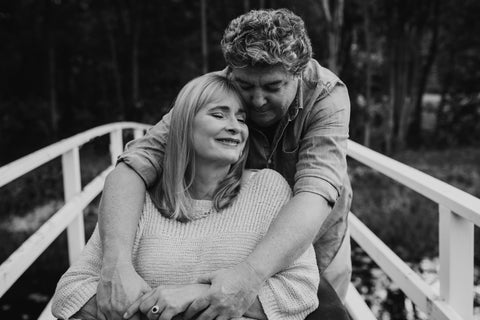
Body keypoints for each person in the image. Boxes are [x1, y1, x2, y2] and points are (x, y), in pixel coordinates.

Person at [97, 8, 352, 320]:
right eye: (246, 86)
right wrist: (117, 263)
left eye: (272, 87)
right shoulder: (212, 92)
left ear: (297, 73)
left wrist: (249, 276)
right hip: (235, 241)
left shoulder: (327, 94)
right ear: (232, 72)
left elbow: (315, 191)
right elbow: (133, 165)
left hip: (314, 234)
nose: (257, 100)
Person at [51, 74, 320, 320]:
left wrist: (196, 296)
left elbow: (301, 290)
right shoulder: (137, 198)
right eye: (219, 114)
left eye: (241, 118)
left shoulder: (268, 190)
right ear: (183, 125)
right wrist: (158, 307)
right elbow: (71, 290)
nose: (235, 127)